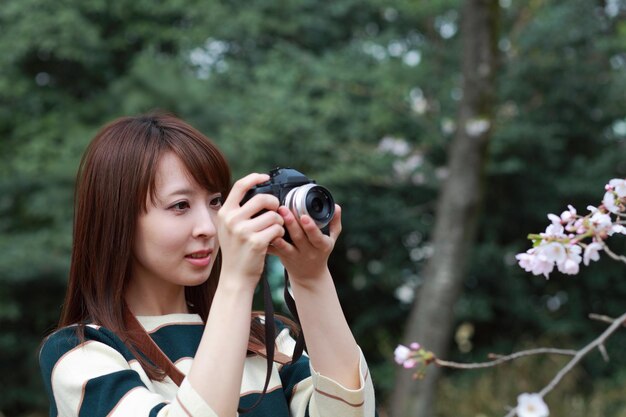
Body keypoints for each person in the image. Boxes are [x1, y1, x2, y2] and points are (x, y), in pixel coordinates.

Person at [39, 112, 376, 417]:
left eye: (215, 201)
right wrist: (236, 279)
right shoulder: (81, 352)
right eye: (180, 205)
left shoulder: (267, 340)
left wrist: (311, 277)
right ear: (117, 220)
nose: (209, 226)